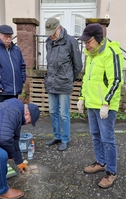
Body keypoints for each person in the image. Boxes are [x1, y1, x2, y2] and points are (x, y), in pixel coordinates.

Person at [77, 23, 124, 188]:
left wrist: (107, 103)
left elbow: (116, 80)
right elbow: (86, 79)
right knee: (95, 135)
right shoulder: (90, 55)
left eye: (88, 41)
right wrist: (82, 97)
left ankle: (111, 172)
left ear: (98, 39)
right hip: (92, 104)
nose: (86, 45)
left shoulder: (111, 52)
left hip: (105, 106)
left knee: (107, 139)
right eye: (85, 42)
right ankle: (101, 162)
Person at [44, 18, 83, 151]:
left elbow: (78, 65)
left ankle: (65, 139)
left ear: (59, 27)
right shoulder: (48, 42)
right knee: (53, 112)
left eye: (53, 32)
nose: (51, 35)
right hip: (51, 83)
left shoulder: (71, 41)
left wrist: (69, 78)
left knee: (64, 114)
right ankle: (57, 136)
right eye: (49, 32)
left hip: (64, 83)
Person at [0, 25, 27, 104]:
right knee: (0, 114)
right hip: (2, 90)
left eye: (10, 36)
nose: (8, 39)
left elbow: (22, 66)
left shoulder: (16, 49)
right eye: (5, 36)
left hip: (15, 90)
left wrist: (22, 80)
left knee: (13, 113)